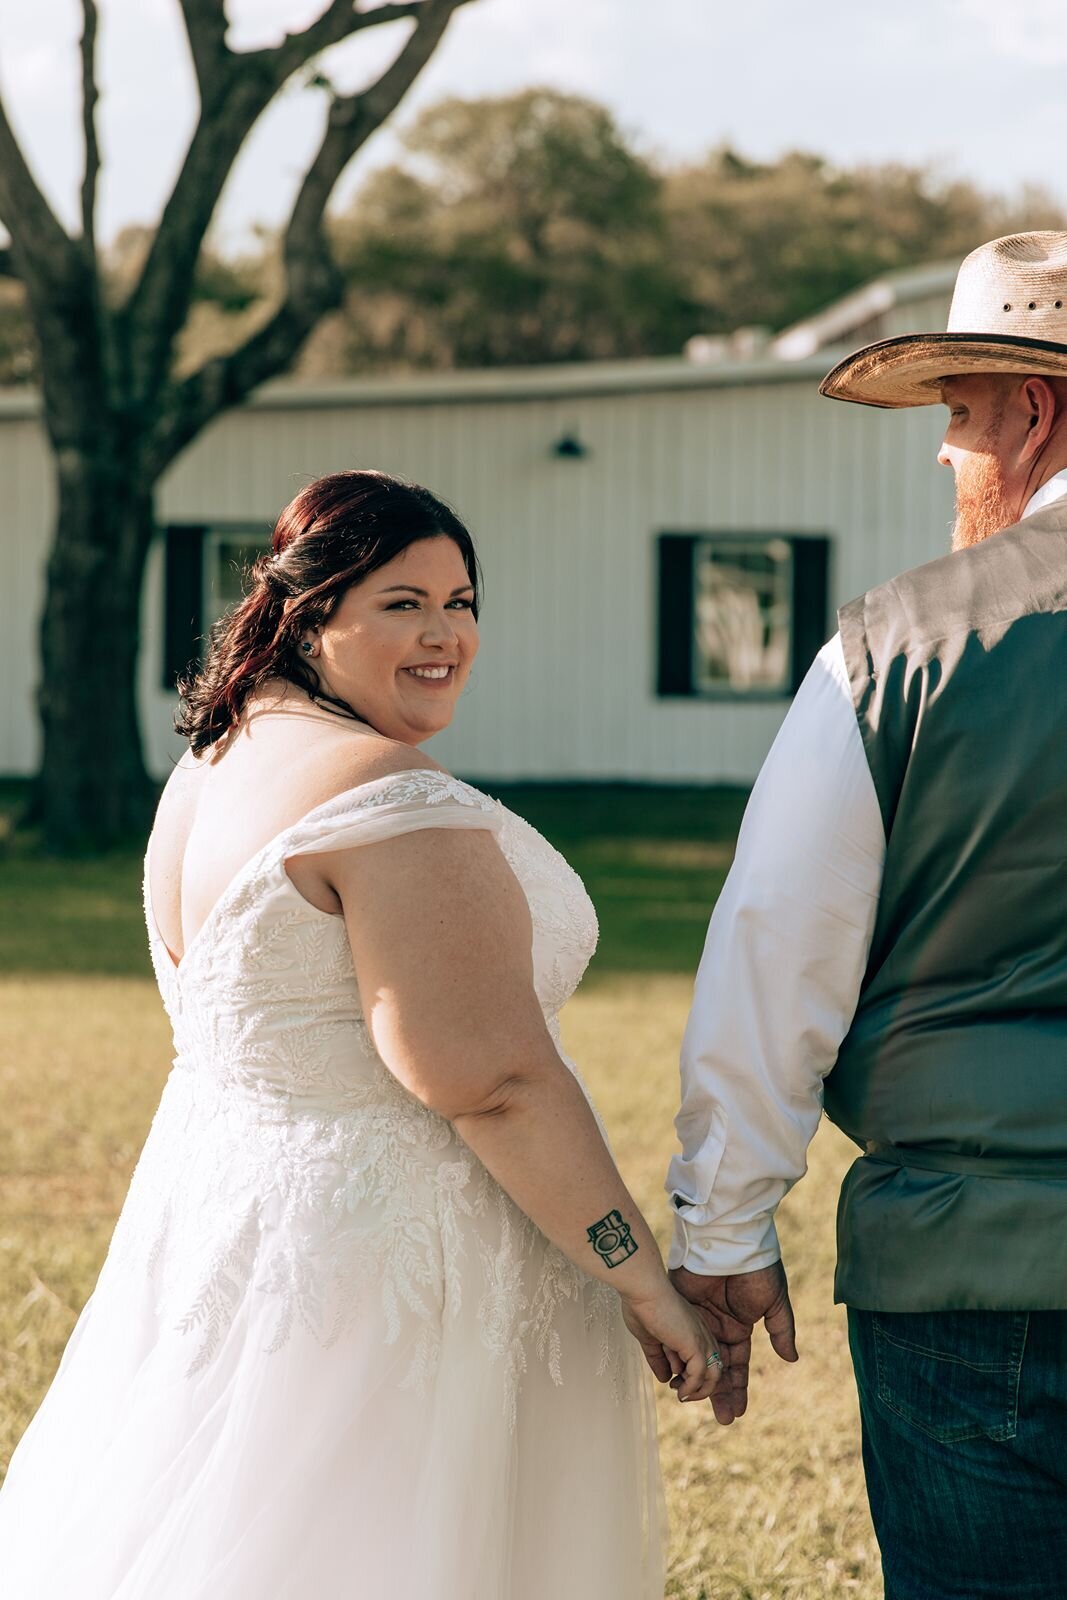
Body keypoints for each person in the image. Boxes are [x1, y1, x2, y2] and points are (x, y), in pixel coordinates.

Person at [0, 470, 721, 1600]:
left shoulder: (220, 760)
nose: (446, 635)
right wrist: (637, 1277)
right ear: (312, 611)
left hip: (229, 1227)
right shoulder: (392, 801)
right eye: (402, 603)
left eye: (463, 600)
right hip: (387, 1270)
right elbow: (493, 1082)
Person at [666, 231, 1067, 1598]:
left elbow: (778, 943)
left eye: (955, 417)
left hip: (971, 1265)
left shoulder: (899, 644)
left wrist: (720, 1233)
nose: (942, 455)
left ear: (1031, 411)